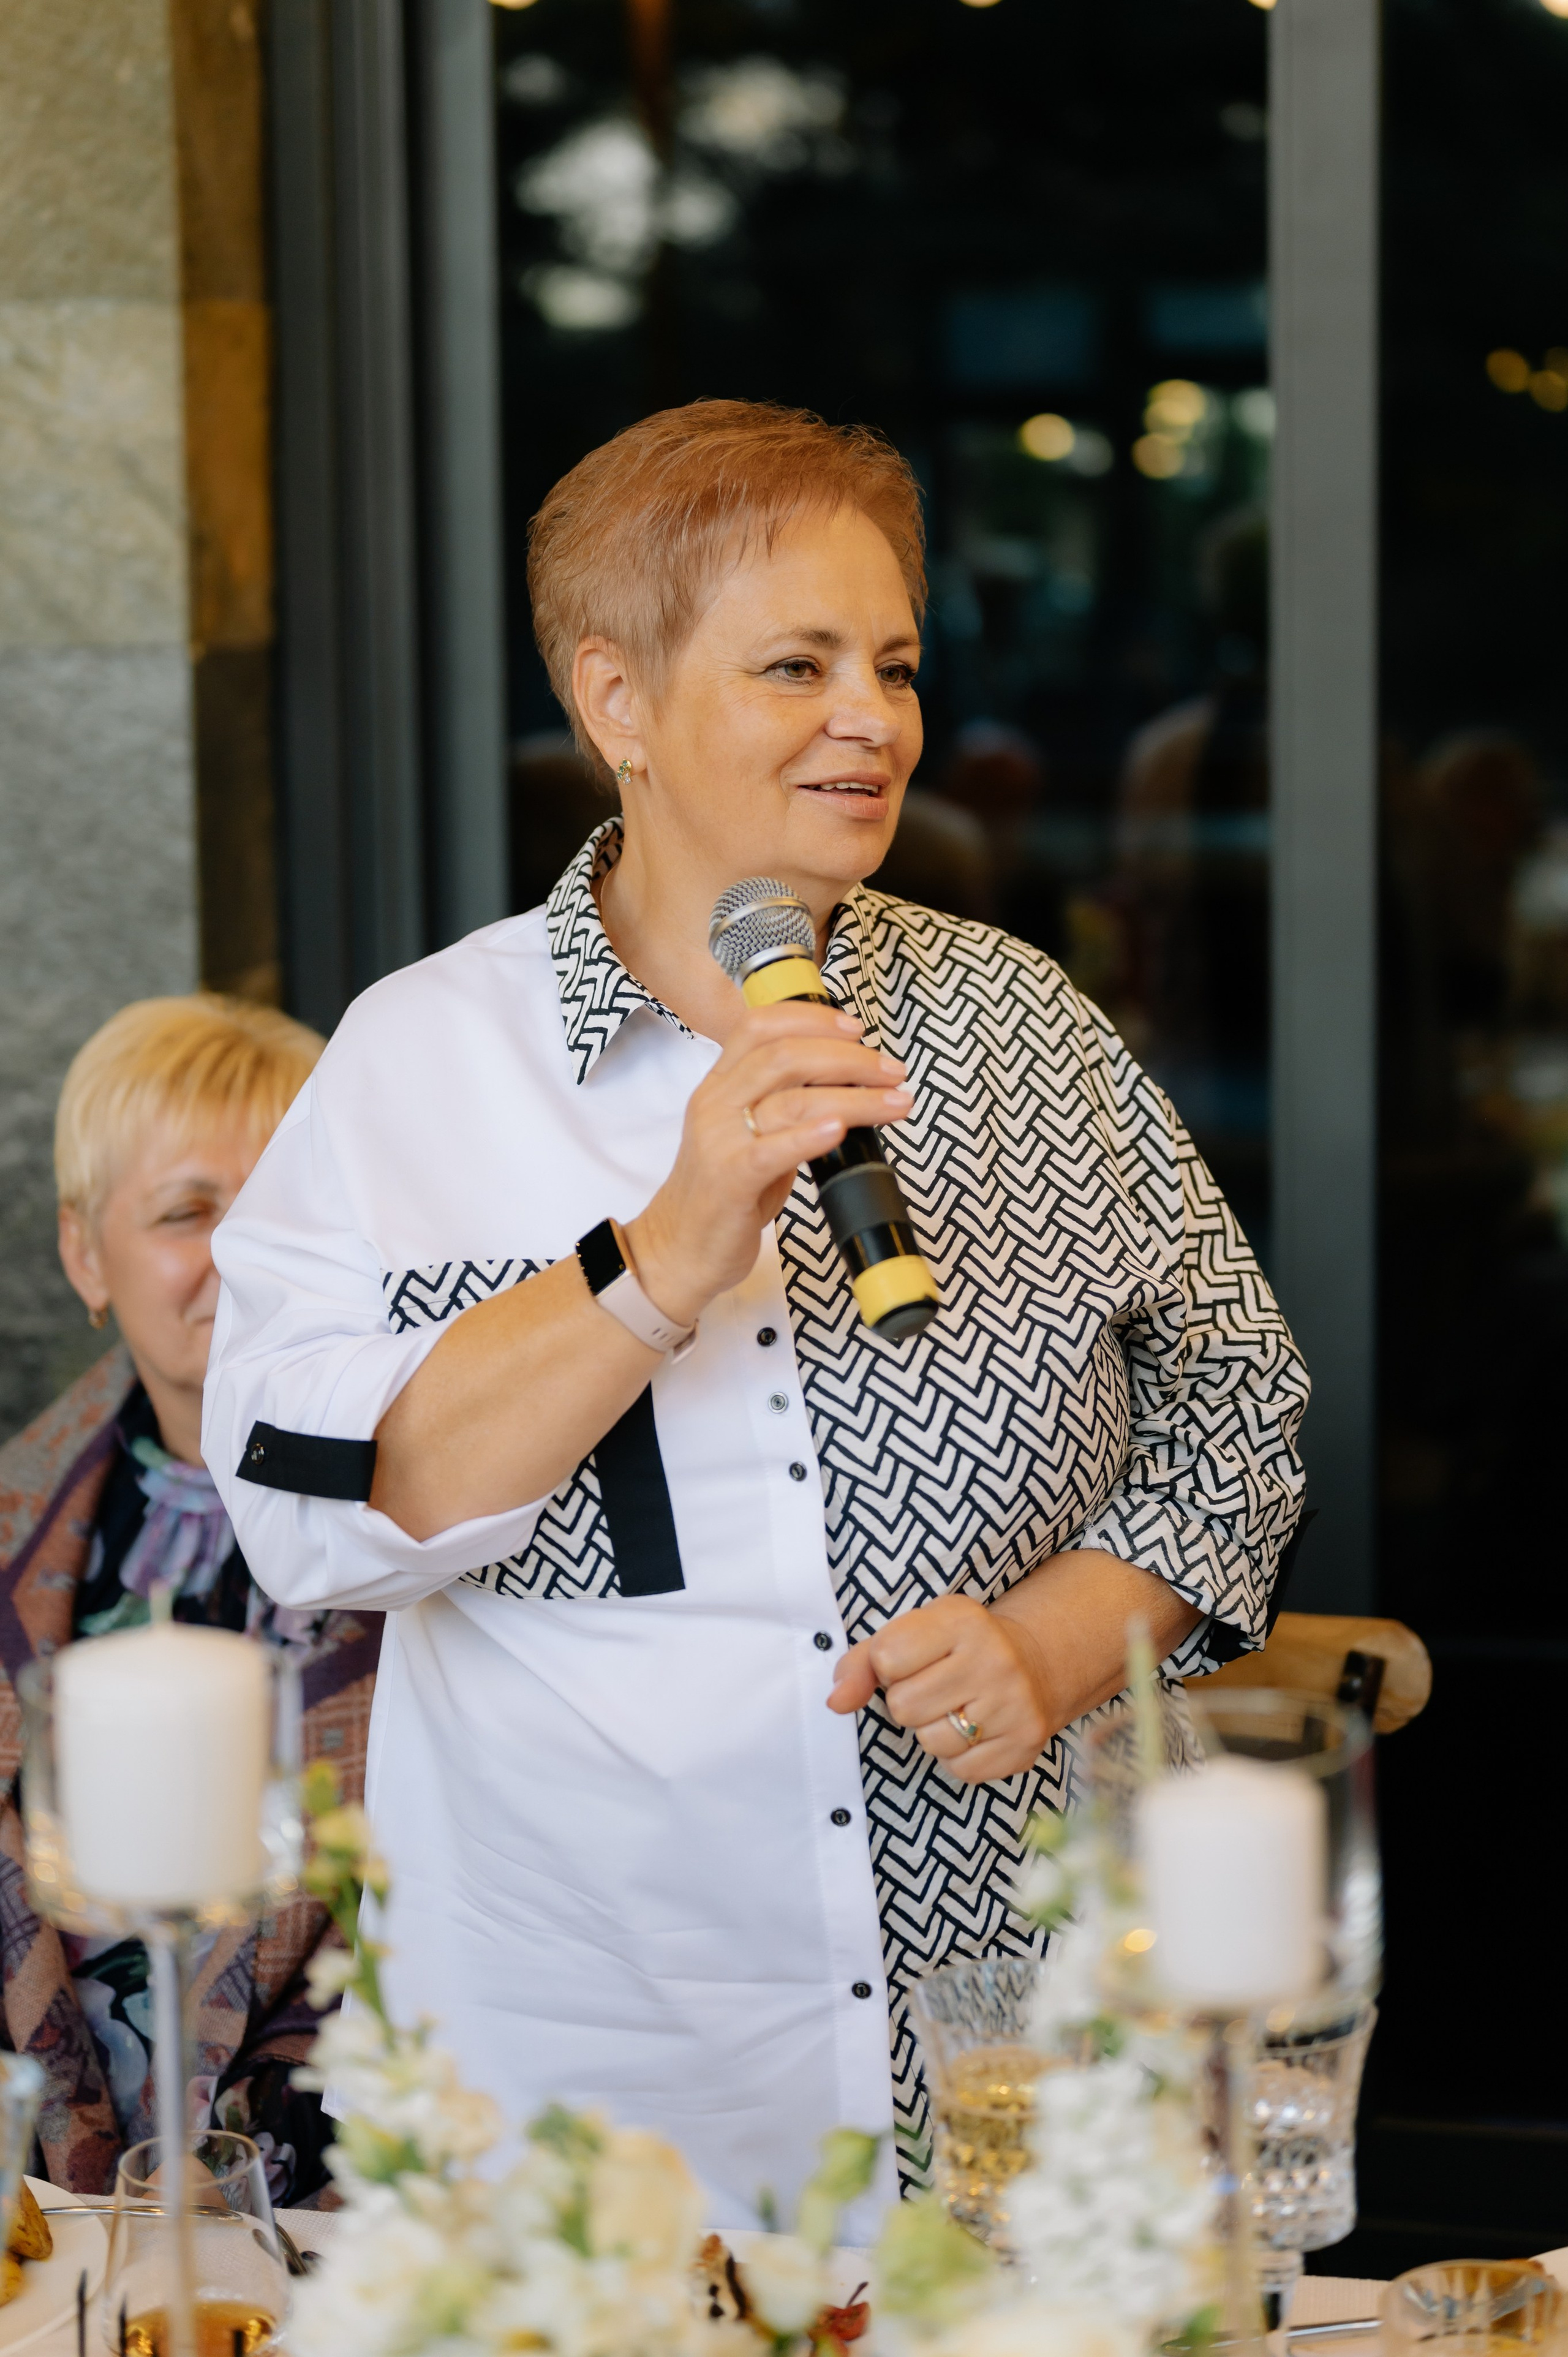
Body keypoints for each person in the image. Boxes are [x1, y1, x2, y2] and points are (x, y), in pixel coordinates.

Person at [205, 400, 1308, 2236]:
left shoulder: (1021, 1023)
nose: (872, 718)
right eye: (798, 665)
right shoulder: (424, 1060)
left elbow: (1236, 1407)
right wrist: (658, 1259)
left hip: (1034, 2038)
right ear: (617, 700)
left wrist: (1054, 1642)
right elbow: (304, 1513)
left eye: (895, 664)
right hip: (609, 2086)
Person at [0, 996, 381, 2201]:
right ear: (84, 1256)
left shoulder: (444, 1521)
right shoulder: (18, 1521)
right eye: (187, 1212)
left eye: (283, 1207)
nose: (245, 1254)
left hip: (350, 2195)